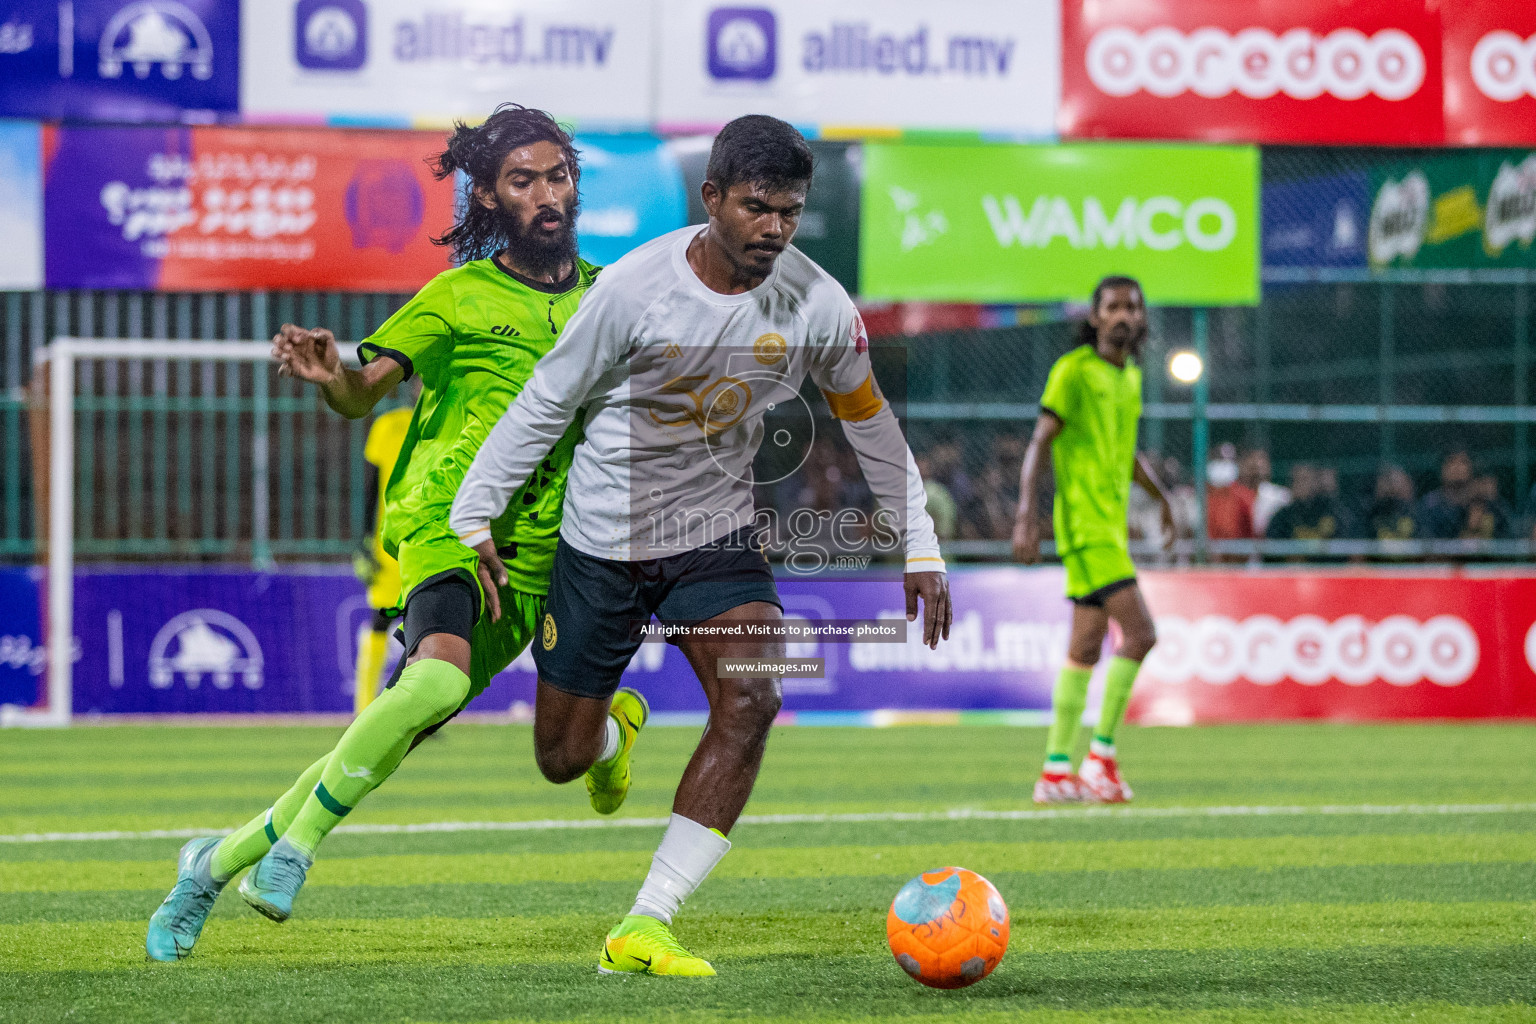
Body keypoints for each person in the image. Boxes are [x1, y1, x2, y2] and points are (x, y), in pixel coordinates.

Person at [451, 114, 952, 976]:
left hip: (715, 536)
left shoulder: (817, 303)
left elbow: (868, 421)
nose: (774, 229)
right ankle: (614, 736)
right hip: (601, 541)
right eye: (757, 207)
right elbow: (545, 400)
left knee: (755, 695)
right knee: (561, 760)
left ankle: (646, 921)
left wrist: (922, 543)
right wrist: (475, 515)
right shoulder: (634, 290)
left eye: (791, 212)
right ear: (711, 197)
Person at [146, 105, 609, 961]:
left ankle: (212, 862)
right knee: (431, 691)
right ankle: (296, 850)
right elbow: (367, 388)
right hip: (443, 519)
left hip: (546, 551)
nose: (546, 194)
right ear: (488, 197)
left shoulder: (607, 295)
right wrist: (336, 377)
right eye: (522, 180)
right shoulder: (456, 296)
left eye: (557, 175)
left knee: (419, 728)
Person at [1012, 276, 1174, 805]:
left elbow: (1123, 452)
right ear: (1096, 317)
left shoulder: (1129, 376)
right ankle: (1100, 758)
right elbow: (1040, 441)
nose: (1124, 314)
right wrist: (1024, 515)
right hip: (1087, 527)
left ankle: (1056, 770)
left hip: (1108, 528)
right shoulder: (1074, 371)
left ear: (1142, 317)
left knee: (1084, 647)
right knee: (1142, 634)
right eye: (1114, 307)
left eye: (1133, 306)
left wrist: (1162, 498)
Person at [352, 402, 413, 714]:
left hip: (429, 543)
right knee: (382, 619)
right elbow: (370, 485)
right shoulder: (389, 425)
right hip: (388, 547)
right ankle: (363, 708)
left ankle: (415, 710)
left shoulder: (451, 420)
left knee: (425, 628)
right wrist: (364, 539)